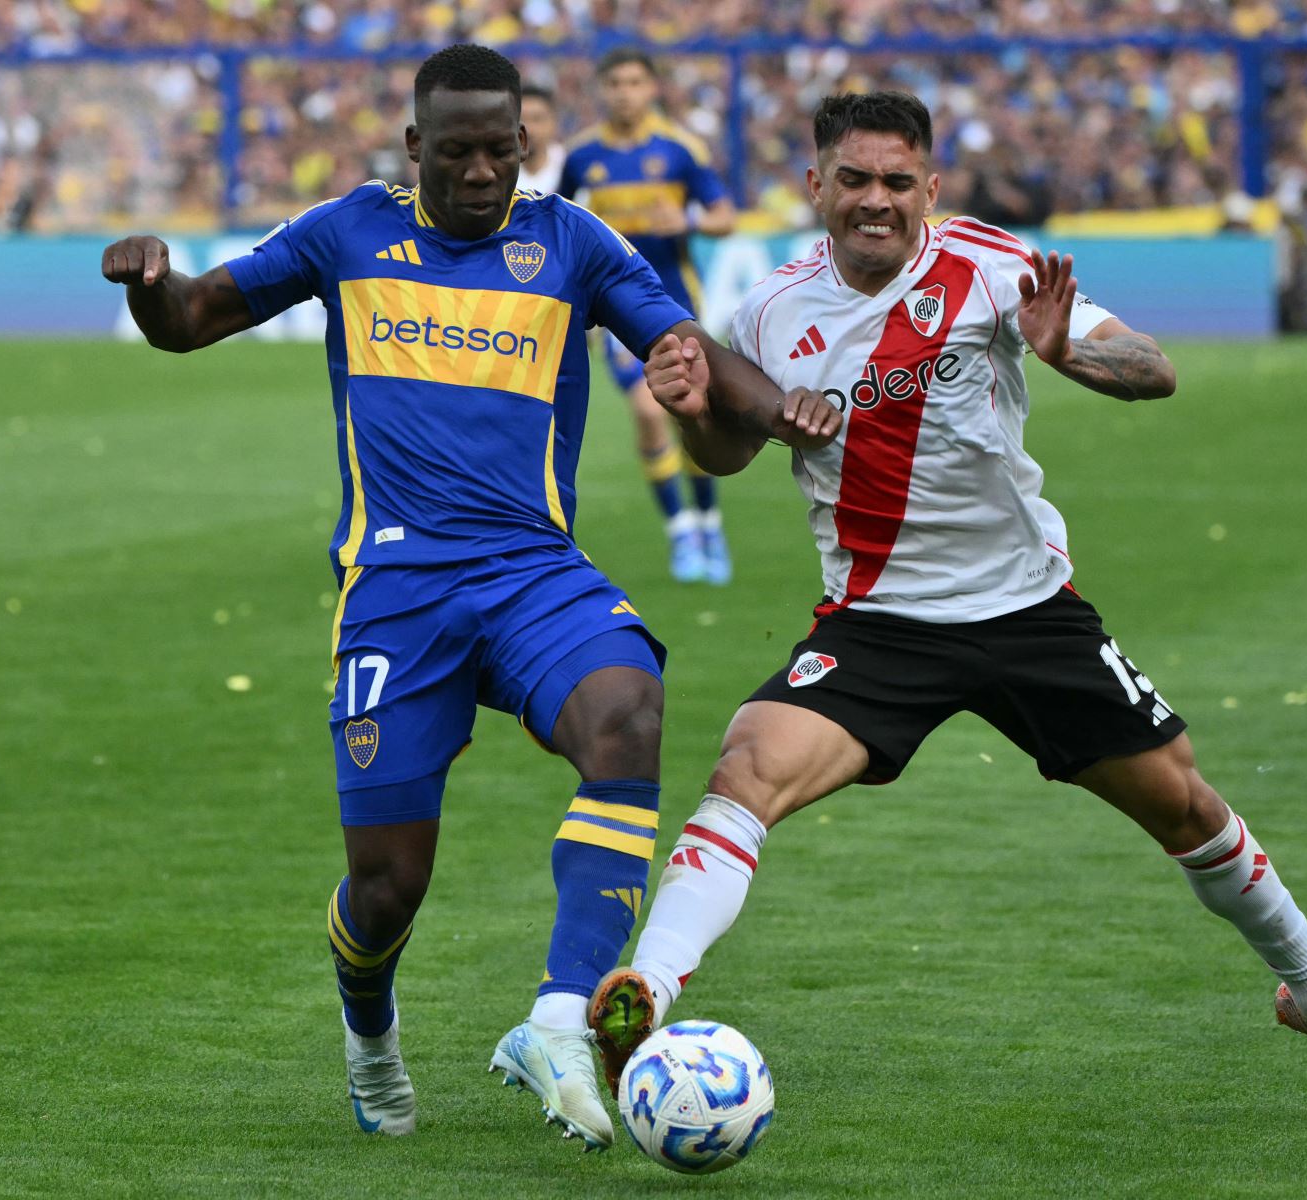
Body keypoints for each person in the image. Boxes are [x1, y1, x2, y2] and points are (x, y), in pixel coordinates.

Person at [588, 91, 1307, 1121]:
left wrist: (1069, 351)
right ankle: (646, 995)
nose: (876, 201)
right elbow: (729, 453)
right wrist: (696, 415)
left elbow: (1154, 371)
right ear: (817, 187)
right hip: (876, 622)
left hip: (1026, 611)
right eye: (854, 179)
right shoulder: (768, 311)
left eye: (898, 181)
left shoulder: (991, 264)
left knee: (1187, 808)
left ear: (931, 188)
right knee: (746, 768)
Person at [98, 44, 834, 1149]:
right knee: (388, 888)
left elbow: (686, 352)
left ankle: (557, 1019)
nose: (482, 170)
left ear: (526, 145)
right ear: (414, 149)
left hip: (532, 570)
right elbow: (197, 315)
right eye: (457, 151)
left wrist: (778, 411)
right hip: (395, 586)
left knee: (628, 708)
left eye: (501, 149)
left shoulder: (572, 242)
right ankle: (369, 1029)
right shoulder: (349, 231)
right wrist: (152, 285)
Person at [560, 47, 739, 585]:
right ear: (602, 90)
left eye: (634, 82)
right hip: (615, 307)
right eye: (614, 83)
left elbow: (725, 217)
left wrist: (684, 221)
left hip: (675, 301)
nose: (624, 92)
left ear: (652, 88)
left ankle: (708, 519)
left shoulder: (681, 149)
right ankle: (681, 527)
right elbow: (557, 219)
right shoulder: (581, 154)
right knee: (646, 410)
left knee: (690, 412)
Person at [516, 84, 565, 195]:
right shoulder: (500, 172)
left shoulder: (567, 166)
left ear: (554, 123)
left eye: (537, 119)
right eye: (521, 119)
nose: (529, 129)